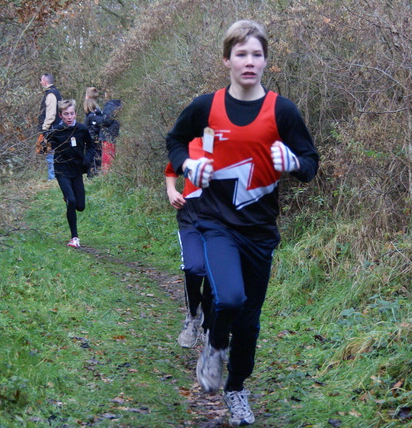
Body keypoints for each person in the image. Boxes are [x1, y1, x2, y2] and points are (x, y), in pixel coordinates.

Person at [165, 20, 319, 426]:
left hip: (260, 230)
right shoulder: (206, 106)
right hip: (216, 223)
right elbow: (175, 141)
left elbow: (311, 163)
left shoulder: (282, 111)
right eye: (241, 54)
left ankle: (237, 389)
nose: (249, 62)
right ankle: (214, 344)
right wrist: (187, 163)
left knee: (249, 320)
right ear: (227, 60)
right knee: (229, 298)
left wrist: (295, 163)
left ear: (266, 61)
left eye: (256, 54)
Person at [165, 138, 212, 348]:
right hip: (190, 212)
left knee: (214, 272)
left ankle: (210, 326)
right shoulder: (188, 143)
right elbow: (170, 170)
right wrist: (172, 191)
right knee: (194, 267)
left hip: (219, 215)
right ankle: (193, 315)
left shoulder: (229, 140)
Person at [45, 99, 95, 248]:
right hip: (61, 170)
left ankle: (68, 197)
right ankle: (74, 238)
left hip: (77, 170)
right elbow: (42, 148)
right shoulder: (56, 131)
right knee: (71, 201)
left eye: (71, 114)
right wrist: (43, 141)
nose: (69, 117)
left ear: (75, 114)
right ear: (60, 115)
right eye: (66, 114)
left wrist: (87, 159)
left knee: (80, 206)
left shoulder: (81, 129)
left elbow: (91, 146)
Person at [38, 73, 63, 181]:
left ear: (45, 81)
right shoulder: (56, 93)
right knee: (53, 153)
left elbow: (51, 114)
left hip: (51, 128)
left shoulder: (51, 94)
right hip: (56, 127)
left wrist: (45, 128)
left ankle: (52, 178)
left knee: (50, 154)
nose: (40, 82)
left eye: (41, 80)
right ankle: (55, 177)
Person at [83, 87, 103, 177]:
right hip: (95, 137)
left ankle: (93, 173)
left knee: (93, 155)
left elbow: (89, 126)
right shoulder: (97, 110)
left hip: (92, 138)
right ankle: (93, 172)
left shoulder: (92, 112)